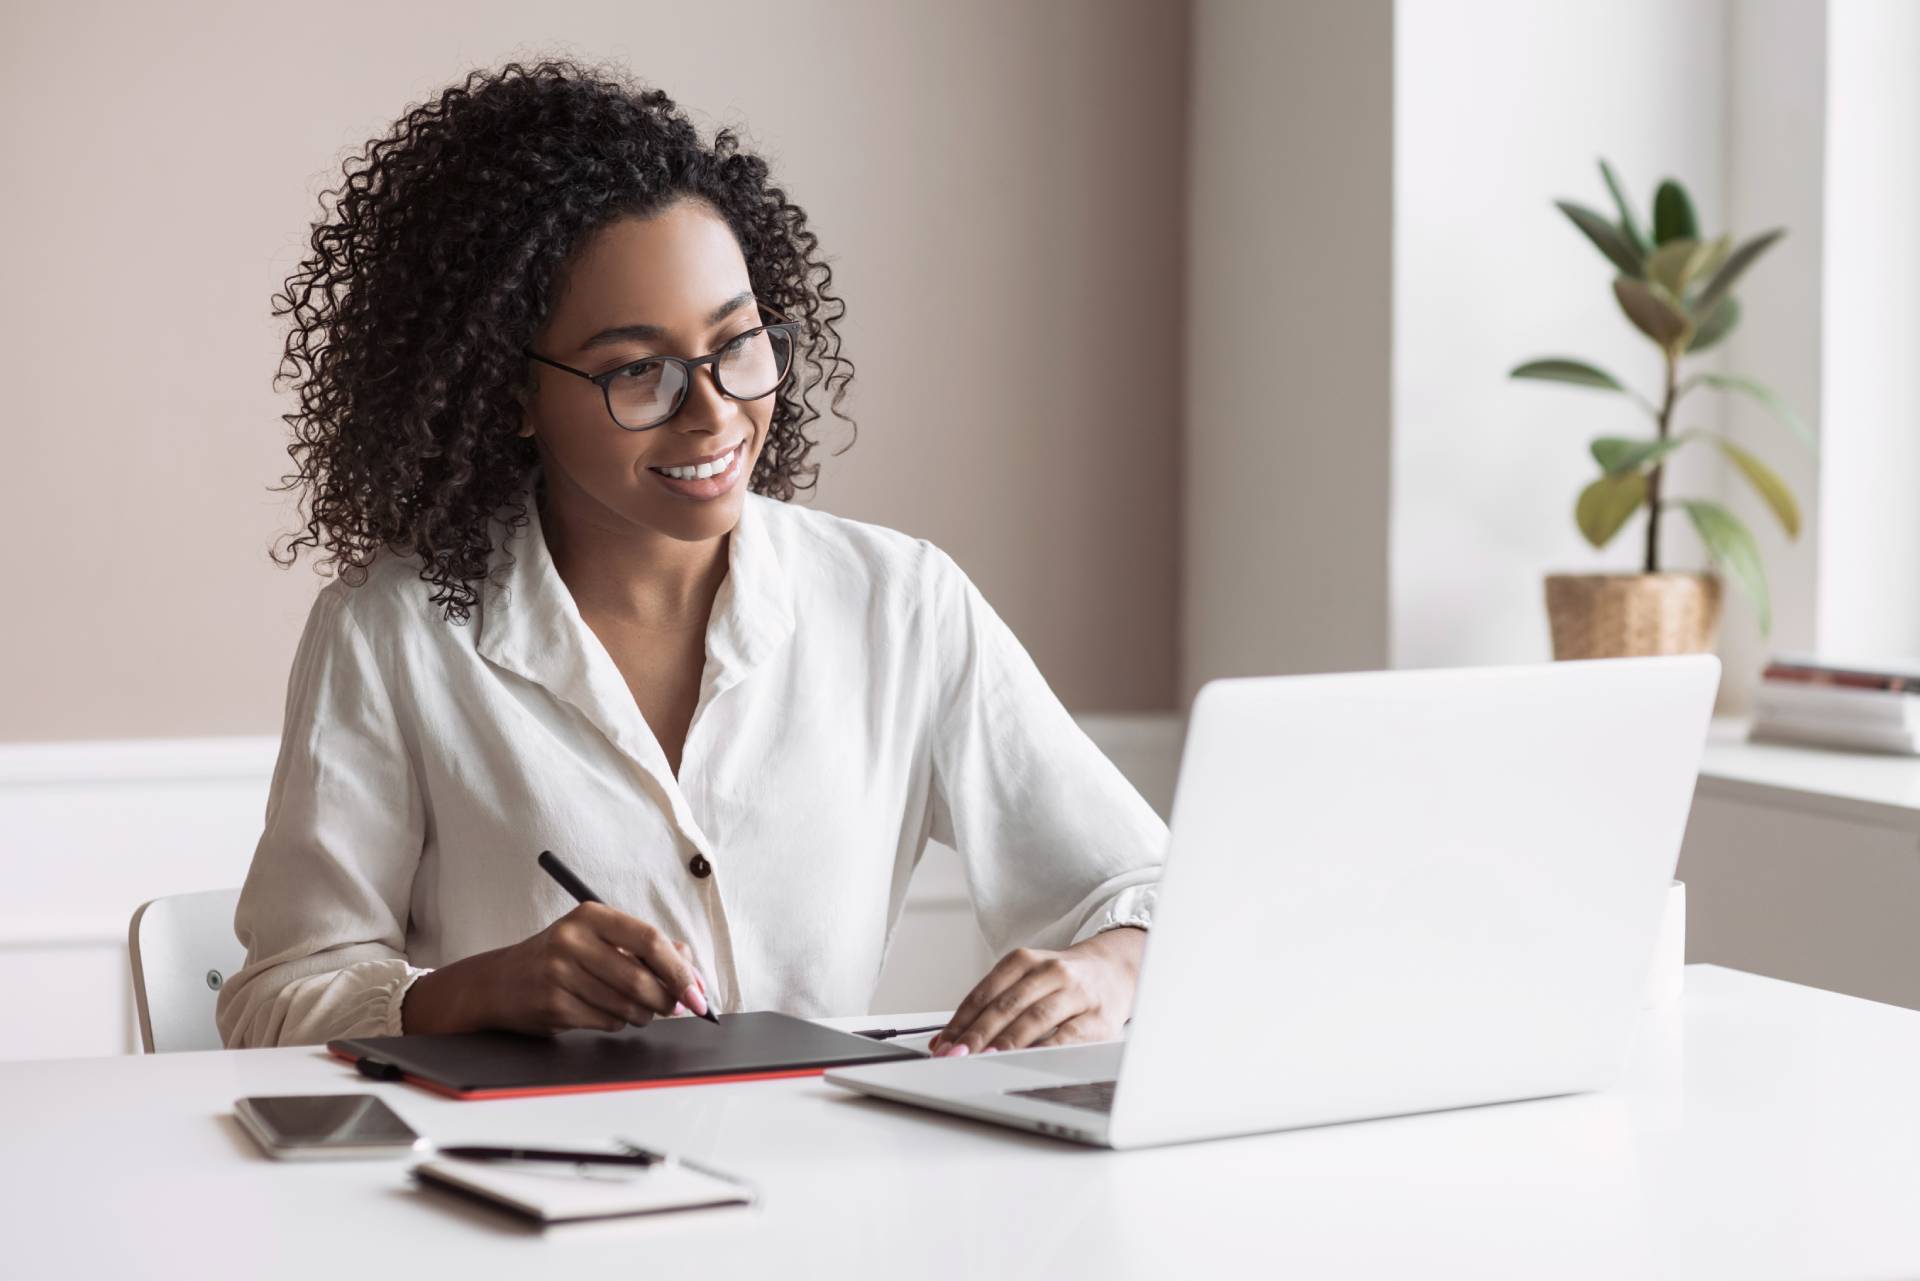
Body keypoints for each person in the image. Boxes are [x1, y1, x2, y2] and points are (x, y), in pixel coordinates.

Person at [216, 57, 1165, 1061]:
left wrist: (1108, 968)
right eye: (640, 371)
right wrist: (472, 990)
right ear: (511, 393)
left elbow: (1145, 885)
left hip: (824, 1189)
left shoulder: (900, 605)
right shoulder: (394, 632)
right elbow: (274, 1001)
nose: (715, 414)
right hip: (523, 1190)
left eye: (739, 344)